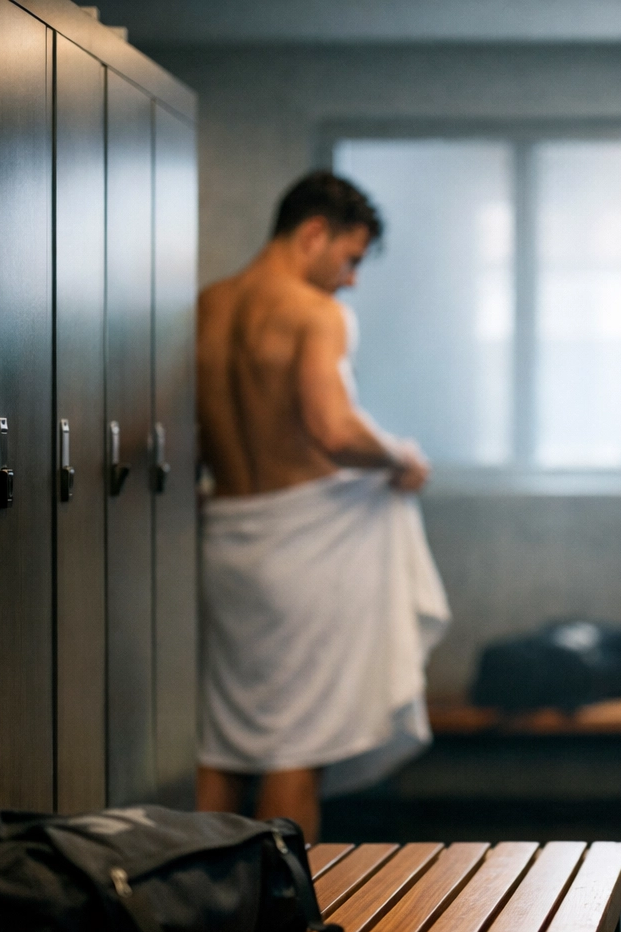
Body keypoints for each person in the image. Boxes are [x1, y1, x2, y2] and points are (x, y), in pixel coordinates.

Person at [194, 172, 448, 841]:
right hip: (300, 551)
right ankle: (273, 918)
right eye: (351, 259)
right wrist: (402, 457)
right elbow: (334, 429)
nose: (352, 280)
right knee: (293, 746)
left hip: (224, 541)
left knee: (223, 740)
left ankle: (196, 905)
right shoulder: (316, 314)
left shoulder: (204, 308)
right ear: (313, 234)